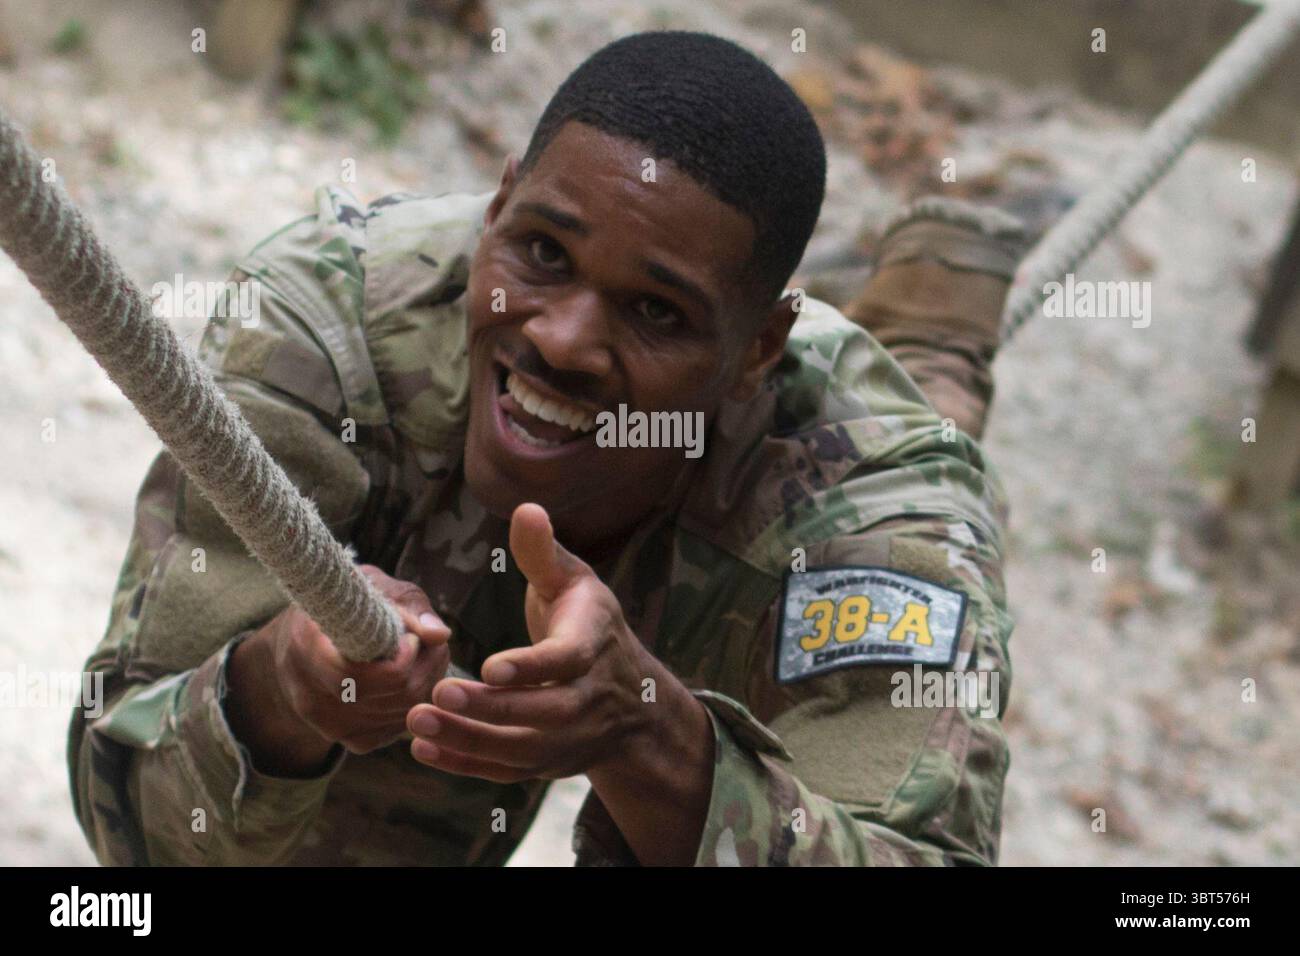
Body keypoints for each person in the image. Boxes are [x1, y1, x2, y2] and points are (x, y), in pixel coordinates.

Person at [69, 30, 1020, 866]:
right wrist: (283, 690)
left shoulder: (872, 489)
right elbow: (134, 839)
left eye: (656, 310)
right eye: (544, 254)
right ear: (496, 208)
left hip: (744, 525)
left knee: (908, 437)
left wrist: (651, 740)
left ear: (757, 352)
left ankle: (928, 353)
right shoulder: (328, 334)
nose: (561, 342)